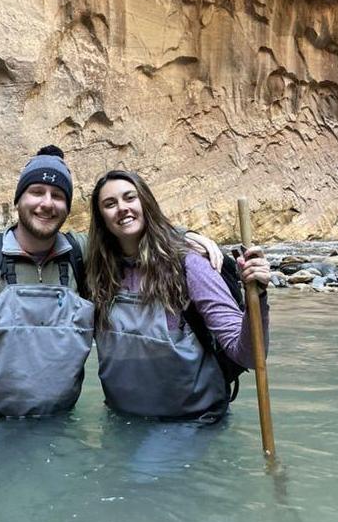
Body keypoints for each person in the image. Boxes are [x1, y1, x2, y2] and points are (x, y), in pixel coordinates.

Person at [0, 147, 222, 418]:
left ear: (67, 207)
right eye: (36, 192)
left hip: (60, 428)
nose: (47, 203)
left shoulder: (82, 254)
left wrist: (181, 236)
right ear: (18, 199)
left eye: (58, 196)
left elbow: (131, 230)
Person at [86, 169, 271, 422]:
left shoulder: (189, 265)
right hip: (123, 420)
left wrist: (257, 297)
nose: (122, 208)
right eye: (110, 204)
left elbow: (247, 355)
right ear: (101, 218)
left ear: (146, 203)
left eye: (130, 198)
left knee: (145, 464)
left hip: (191, 420)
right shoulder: (99, 274)